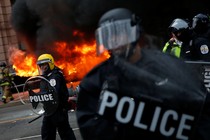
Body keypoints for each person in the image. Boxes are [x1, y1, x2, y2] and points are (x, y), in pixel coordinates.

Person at [76, 8, 210, 140]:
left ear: (134, 33)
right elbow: (91, 127)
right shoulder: (95, 80)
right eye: (109, 36)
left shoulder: (169, 66)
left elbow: (200, 107)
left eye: (120, 34)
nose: (115, 42)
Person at [36, 53, 76, 140]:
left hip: (58, 110)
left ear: (50, 63)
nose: (42, 67)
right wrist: (36, 96)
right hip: (49, 110)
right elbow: (43, 92)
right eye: (40, 65)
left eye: (44, 65)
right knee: (47, 134)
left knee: (65, 133)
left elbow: (54, 92)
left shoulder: (55, 76)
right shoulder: (45, 77)